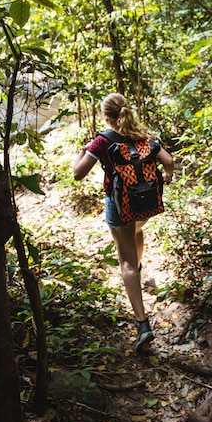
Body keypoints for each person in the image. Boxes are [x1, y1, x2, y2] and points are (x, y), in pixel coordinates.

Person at [73, 93, 174, 353]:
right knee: (136, 230)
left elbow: (77, 174)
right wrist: (168, 176)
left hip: (120, 207)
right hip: (147, 203)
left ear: (106, 118)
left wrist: (82, 152)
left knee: (126, 263)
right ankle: (137, 270)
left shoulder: (101, 142)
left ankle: (142, 324)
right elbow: (169, 160)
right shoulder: (144, 134)